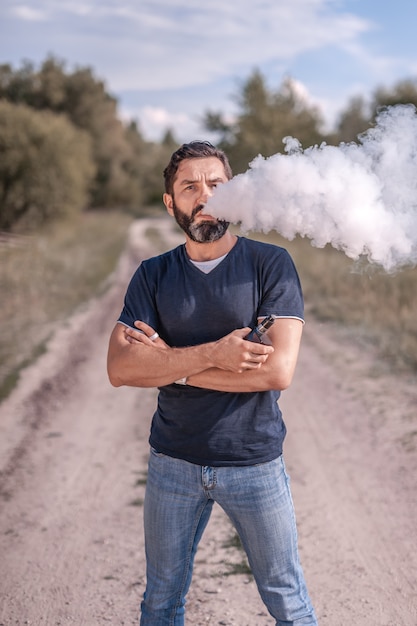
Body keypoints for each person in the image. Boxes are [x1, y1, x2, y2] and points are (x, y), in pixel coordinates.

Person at [107, 140, 318, 626]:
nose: (204, 196)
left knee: (287, 600)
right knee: (161, 601)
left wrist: (170, 364)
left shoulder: (270, 264)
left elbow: (276, 371)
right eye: (189, 186)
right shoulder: (153, 274)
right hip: (172, 464)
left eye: (216, 185)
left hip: (254, 462)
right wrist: (216, 355)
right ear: (171, 202)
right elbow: (120, 369)